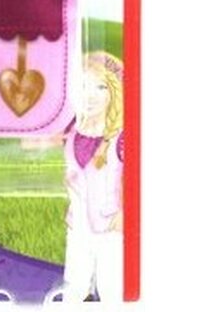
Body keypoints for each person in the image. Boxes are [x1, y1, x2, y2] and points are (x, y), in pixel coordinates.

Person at [64, 52, 124, 302]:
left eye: (100, 87)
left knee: (111, 286)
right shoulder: (71, 133)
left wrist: (125, 213)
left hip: (111, 225)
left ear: (113, 92)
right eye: (84, 86)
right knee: (74, 285)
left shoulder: (121, 137)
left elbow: (136, 178)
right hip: (78, 224)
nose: (90, 95)